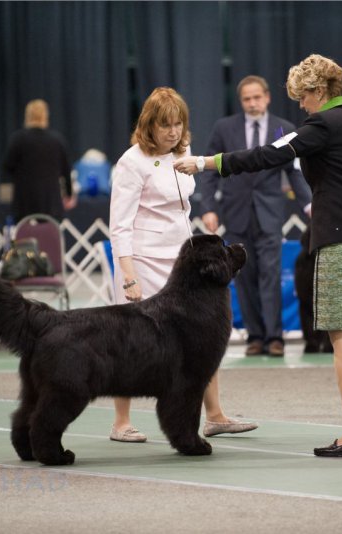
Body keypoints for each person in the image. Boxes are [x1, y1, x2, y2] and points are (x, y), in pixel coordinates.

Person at [175, 54, 342, 458]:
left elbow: (267, 155)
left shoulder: (321, 125)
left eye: (302, 97)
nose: (300, 106)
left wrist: (208, 162)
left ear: (317, 91)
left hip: (340, 237)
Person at [108, 87, 258, 443]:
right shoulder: (131, 162)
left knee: (204, 336)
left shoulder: (184, 153)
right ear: (149, 125)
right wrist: (128, 275)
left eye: (178, 124)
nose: (173, 132)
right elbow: (119, 225)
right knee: (131, 341)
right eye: (165, 125)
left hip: (183, 260)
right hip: (143, 259)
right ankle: (121, 422)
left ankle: (216, 416)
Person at [198, 75, 312, 357]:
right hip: (235, 214)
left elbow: (295, 173)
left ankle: (276, 338)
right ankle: (255, 336)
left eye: (257, 97)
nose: (252, 103)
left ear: (267, 97)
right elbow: (211, 172)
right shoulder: (224, 128)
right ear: (241, 101)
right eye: (247, 99)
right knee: (244, 277)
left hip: (270, 216)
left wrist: (310, 206)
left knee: (270, 276)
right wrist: (208, 207)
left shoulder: (283, 128)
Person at [4, 99, 76, 222]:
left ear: (27, 116)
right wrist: (69, 194)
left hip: (24, 202)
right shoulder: (57, 140)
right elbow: (66, 171)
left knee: (24, 237)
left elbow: (7, 167)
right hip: (50, 202)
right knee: (49, 237)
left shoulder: (18, 139)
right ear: (46, 116)